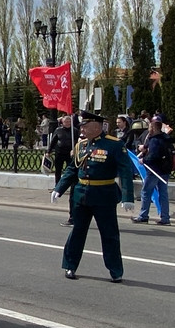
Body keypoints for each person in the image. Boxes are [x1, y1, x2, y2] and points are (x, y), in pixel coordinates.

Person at [51, 110, 135, 282]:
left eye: (85, 126)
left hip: (104, 195)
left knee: (109, 234)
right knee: (77, 232)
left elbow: (126, 172)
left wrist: (127, 197)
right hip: (81, 195)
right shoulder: (81, 145)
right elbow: (73, 170)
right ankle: (70, 265)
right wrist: (59, 188)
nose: (81, 129)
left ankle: (115, 271)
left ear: (96, 126)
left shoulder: (114, 145)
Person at [132, 116, 171, 226]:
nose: (148, 130)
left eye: (150, 127)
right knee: (163, 194)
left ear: (153, 128)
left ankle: (143, 216)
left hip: (154, 171)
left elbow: (153, 156)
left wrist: (143, 160)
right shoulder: (165, 138)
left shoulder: (154, 140)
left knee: (146, 192)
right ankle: (165, 217)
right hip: (164, 170)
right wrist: (144, 147)